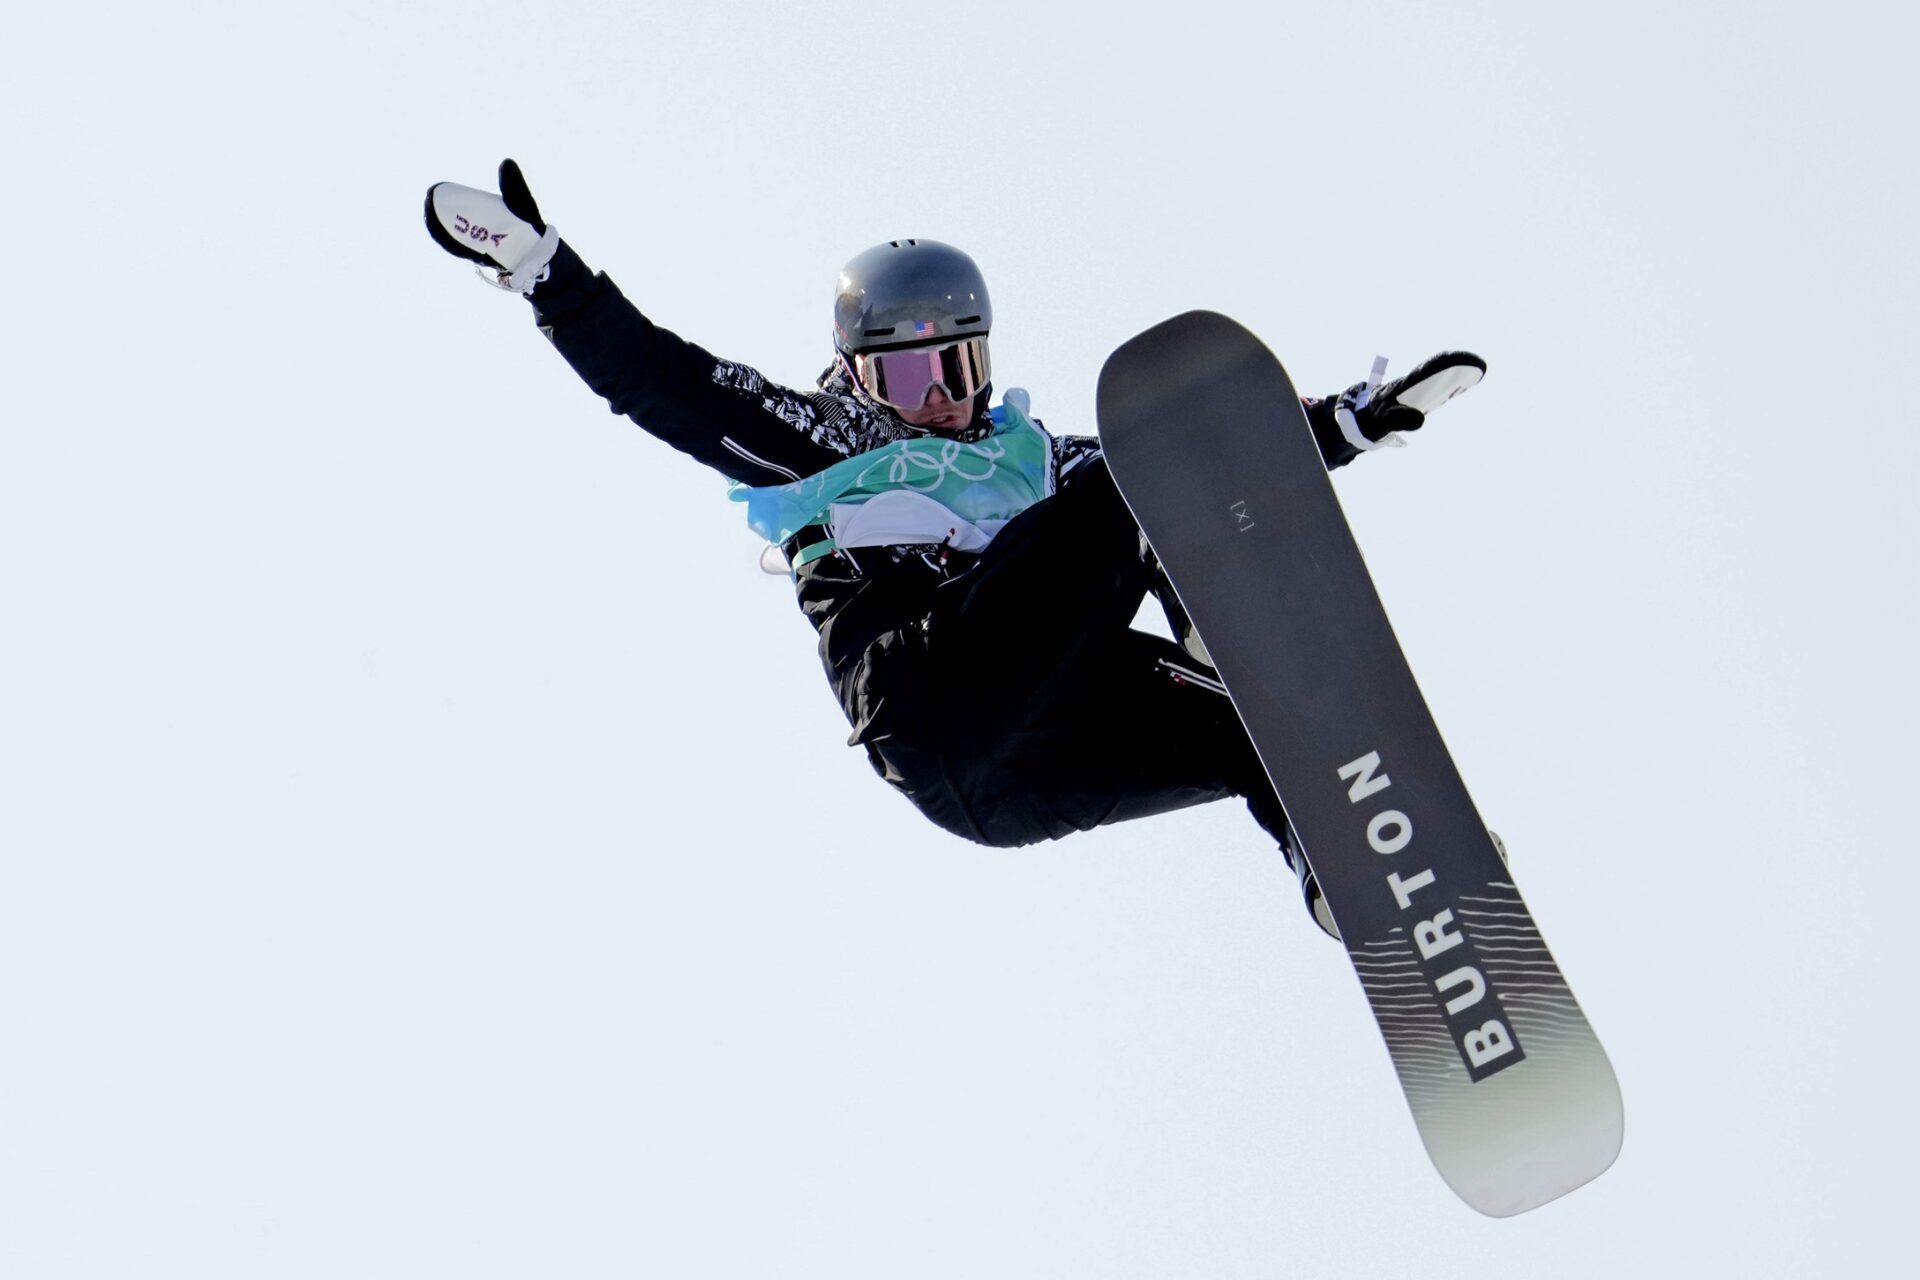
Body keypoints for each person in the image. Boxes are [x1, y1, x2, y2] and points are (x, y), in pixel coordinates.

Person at [424, 160, 1487, 938]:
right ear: (855, 378)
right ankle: (1208, 628)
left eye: (956, 369)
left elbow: (1207, 467)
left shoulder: (1031, 460)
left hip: (1023, 778)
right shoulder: (825, 440)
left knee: (1244, 712)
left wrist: (1344, 426)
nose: (935, 400)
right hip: (931, 697)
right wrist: (544, 273)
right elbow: (666, 383)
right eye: (903, 378)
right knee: (1137, 478)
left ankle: (1343, 871)